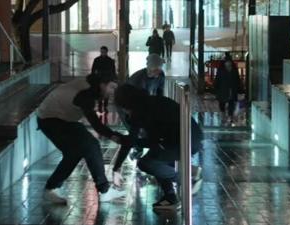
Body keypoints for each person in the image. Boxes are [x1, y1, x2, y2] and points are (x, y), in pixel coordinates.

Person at [36, 73, 126, 204]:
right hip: (51, 119)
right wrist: (113, 135)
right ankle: (104, 190)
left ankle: (50, 188)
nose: (113, 92)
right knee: (91, 145)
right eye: (111, 87)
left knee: (73, 154)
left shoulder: (92, 86)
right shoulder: (85, 94)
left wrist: (113, 135)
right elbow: (95, 123)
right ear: (102, 84)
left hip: (61, 118)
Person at [112, 85, 203, 210]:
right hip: (190, 137)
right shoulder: (152, 102)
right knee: (155, 157)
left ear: (126, 104)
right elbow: (154, 141)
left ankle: (187, 180)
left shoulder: (139, 112)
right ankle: (170, 197)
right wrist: (132, 141)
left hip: (184, 141)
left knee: (146, 163)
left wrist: (117, 167)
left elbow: (138, 141)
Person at [91, 46, 116, 123]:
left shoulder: (102, 60)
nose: (102, 53)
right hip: (101, 78)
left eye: (103, 52)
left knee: (105, 92)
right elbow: (93, 69)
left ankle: (104, 105)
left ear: (106, 52)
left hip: (105, 79)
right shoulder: (106, 60)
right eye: (102, 52)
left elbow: (112, 71)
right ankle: (101, 105)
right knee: (101, 92)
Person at [214, 54, 241, 122]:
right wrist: (216, 87)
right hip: (223, 89)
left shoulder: (234, 70)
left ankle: (230, 116)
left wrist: (239, 87)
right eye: (227, 62)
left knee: (231, 103)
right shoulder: (221, 70)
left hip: (232, 89)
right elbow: (217, 79)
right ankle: (223, 115)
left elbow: (237, 79)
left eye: (229, 62)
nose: (228, 63)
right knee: (222, 103)